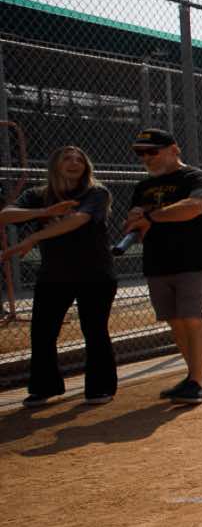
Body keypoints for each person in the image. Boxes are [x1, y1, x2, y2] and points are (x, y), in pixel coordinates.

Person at [3, 145, 117, 406]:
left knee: (94, 330)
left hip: (95, 273)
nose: (74, 162)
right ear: (55, 165)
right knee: (42, 332)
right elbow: (5, 216)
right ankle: (45, 386)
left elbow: (78, 219)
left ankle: (100, 387)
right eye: (67, 158)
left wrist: (34, 237)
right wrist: (44, 212)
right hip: (54, 275)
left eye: (80, 159)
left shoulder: (96, 193)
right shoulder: (38, 195)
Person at [119, 127, 202, 404]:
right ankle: (199, 375)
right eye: (141, 153)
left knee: (193, 317)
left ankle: (197, 385)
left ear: (174, 150)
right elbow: (136, 227)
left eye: (152, 151)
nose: (146, 158)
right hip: (157, 261)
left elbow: (196, 206)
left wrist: (151, 216)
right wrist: (134, 220)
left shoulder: (197, 178)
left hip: (191, 259)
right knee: (175, 320)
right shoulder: (143, 187)